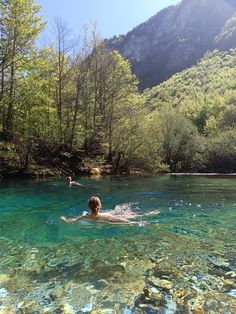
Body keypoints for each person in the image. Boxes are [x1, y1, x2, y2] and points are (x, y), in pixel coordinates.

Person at [60, 196, 131, 224]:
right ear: (100, 206)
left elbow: (71, 221)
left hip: (95, 218)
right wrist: (131, 222)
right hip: (105, 218)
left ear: (89, 207)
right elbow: (120, 220)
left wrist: (64, 219)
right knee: (119, 212)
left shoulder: (84, 217)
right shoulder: (106, 215)